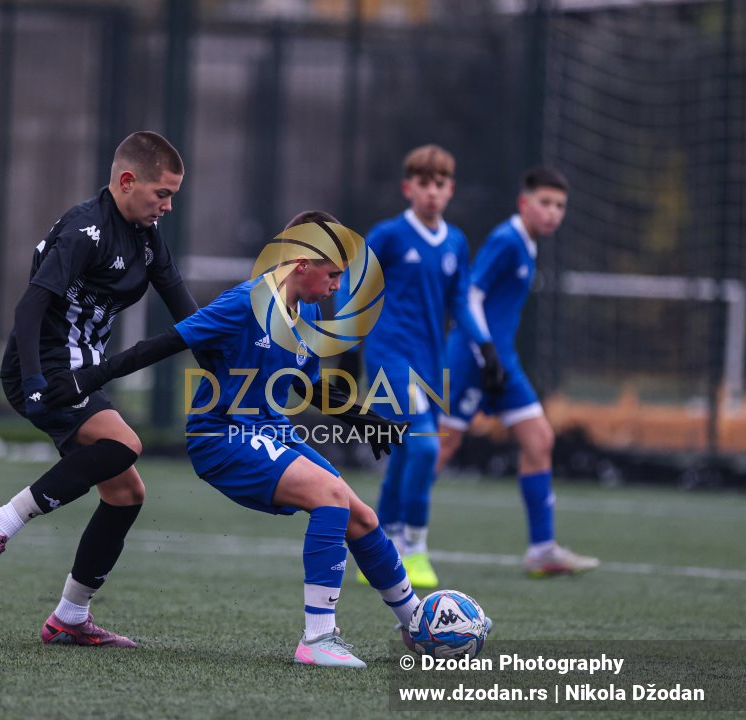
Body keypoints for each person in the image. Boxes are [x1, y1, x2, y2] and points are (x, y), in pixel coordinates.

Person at [41, 212, 485, 668]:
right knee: (331, 497)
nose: (336, 285)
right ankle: (317, 639)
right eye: (332, 274)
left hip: (271, 431)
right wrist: (88, 379)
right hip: (222, 436)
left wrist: (362, 416)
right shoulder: (244, 303)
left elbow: (303, 384)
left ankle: (415, 623)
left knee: (361, 517)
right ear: (300, 263)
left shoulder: (307, 309)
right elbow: (163, 344)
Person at [0, 131, 198, 647]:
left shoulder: (145, 236)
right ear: (127, 181)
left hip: (81, 369)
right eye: (162, 193)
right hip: (46, 368)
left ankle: (69, 616)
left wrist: (230, 358)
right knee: (125, 445)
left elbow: (184, 310)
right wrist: (38, 383)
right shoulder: (85, 230)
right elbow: (29, 307)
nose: (168, 205)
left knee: (127, 492)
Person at [342, 144, 504, 589]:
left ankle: (377, 548)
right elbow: (352, 283)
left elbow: (460, 302)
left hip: (430, 365)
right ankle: (413, 547)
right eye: (423, 183)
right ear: (407, 188)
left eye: (440, 184)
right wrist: (341, 338)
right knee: (428, 449)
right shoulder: (390, 235)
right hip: (389, 359)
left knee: (404, 455)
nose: (431, 192)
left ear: (450, 190)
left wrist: (485, 348)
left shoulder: (455, 243)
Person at [436, 166, 599, 577]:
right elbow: (470, 297)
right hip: (472, 357)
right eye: (545, 203)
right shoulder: (507, 240)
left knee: (540, 439)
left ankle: (542, 550)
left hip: (501, 359)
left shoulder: (528, 243)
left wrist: (497, 356)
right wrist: (485, 351)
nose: (553, 213)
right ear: (524, 203)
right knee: (441, 448)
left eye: (560, 206)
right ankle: (389, 536)